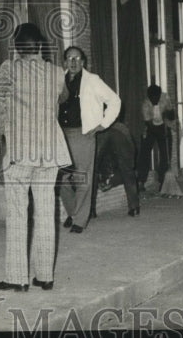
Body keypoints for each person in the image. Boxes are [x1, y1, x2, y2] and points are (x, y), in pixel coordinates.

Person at [0, 23, 71, 293]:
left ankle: (17, 278)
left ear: (16, 47)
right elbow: (63, 97)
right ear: (39, 47)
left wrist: (5, 127)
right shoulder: (57, 72)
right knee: (47, 213)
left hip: (21, 151)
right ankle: (45, 276)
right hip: (50, 153)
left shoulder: (9, 69)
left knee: (17, 212)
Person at [58, 45, 122, 233]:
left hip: (83, 134)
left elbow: (115, 101)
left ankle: (80, 220)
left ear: (83, 62)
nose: (73, 62)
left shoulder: (92, 81)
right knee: (60, 178)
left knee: (82, 177)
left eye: (77, 59)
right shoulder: (57, 81)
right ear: (64, 62)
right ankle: (74, 212)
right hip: (61, 135)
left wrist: (103, 124)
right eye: (69, 58)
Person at [91, 102, 141, 218]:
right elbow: (131, 150)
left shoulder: (99, 123)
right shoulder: (122, 127)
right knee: (128, 172)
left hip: (101, 132)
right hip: (119, 135)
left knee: (93, 170)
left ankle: (90, 210)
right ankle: (134, 207)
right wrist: (130, 164)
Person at [138, 83, 175, 191]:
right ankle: (141, 181)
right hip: (151, 128)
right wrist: (160, 134)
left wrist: (169, 112)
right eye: (152, 98)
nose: (154, 100)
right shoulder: (145, 105)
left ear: (160, 95)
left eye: (156, 97)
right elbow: (149, 124)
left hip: (164, 125)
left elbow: (171, 115)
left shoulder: (165, 98)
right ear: (148, 96)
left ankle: (162, 181)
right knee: (144, 153)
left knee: (165, 154)